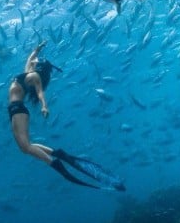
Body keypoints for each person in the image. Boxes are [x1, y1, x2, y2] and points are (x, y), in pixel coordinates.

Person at [8, 40, 126, 191]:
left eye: (39, 61)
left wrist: (44, 106)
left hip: (18, 109)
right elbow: (30, 59)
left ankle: (56, 165)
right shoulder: (28, 72)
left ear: (41, 68)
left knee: (25, 146)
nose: (36, 61)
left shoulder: (35, 77)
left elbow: (40, 92)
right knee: (25, 146)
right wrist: (37, 49)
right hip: (14, 109)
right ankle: (58, 154)